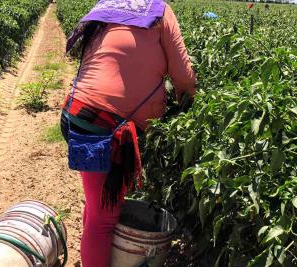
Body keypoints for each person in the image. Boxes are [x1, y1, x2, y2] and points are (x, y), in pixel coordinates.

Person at [60, 0, 196, 266]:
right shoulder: (159, 11)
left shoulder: (108, 7)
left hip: (79, 116)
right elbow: (184, 77)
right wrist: (189, 100)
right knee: (105, 218)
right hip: (104, 130)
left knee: (97, 205)